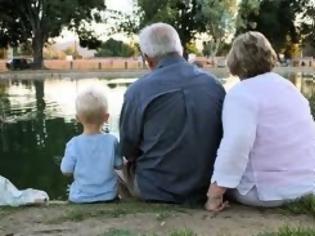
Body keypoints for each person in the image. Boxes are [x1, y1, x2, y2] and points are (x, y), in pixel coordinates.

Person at [205, 31, 315, 211]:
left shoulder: (241, 94)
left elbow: (236, 143)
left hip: (268, 191)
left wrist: (214, 194)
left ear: (235, 61)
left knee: (210, 173)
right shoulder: (289, 88)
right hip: (308, 185)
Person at [119, 22, 225, 204]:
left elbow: (128, 150)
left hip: (155, 190)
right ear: (181, 49)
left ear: (147, 58)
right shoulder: (214, 85)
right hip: (206, 188)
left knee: (111, 165)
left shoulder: (137, 91)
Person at [60, 87, 122, 203]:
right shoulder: (112, 141)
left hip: (80, 198)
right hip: (109, 196)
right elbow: (119, 165)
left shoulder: (73, 144)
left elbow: (66, 170)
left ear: (77, 118)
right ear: (106, 118)